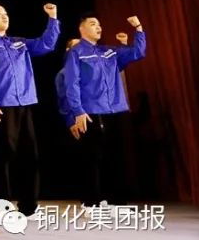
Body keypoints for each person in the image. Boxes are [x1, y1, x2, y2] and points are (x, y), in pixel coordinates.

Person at [0, 3, 59, 216]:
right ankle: (2, 205)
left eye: (6, 13)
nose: (5, 16)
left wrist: (52, 18)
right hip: (1, 106)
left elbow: (46, 44)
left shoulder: (19, 42)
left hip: (25, 104)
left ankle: (29, 205)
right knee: (1, 157)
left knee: (30, 155)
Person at [62, 13, 146, 208]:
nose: (98, 27)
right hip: (92, 110)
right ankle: (91, 202)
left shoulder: (108, 51)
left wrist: (138, 29)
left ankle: (118, 201)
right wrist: (78, 111)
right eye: (93, 24)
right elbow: (71, 83)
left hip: (116, 109)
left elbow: (138, 52)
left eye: (99, 24)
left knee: (117, 155)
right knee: (93, 157)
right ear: (82, 29)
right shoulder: (76, 53)